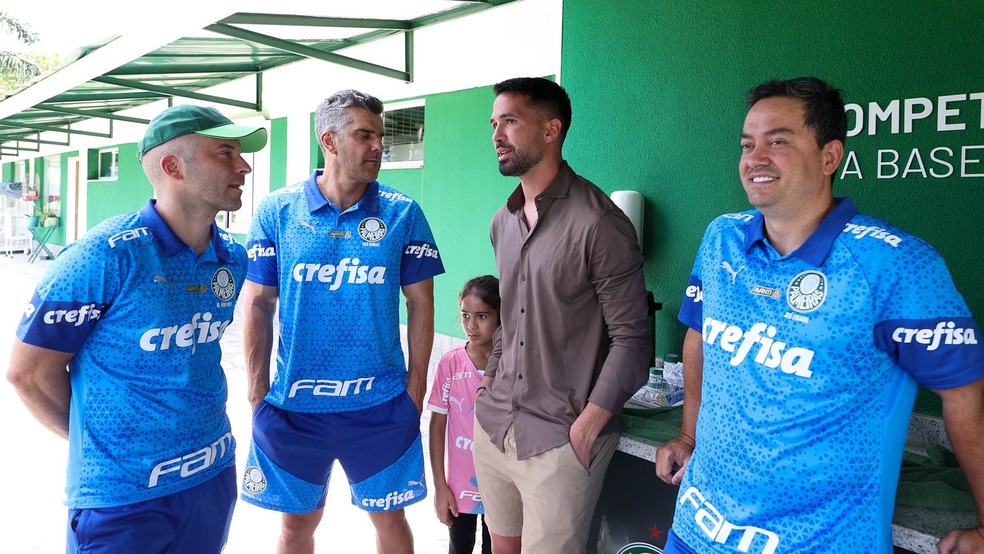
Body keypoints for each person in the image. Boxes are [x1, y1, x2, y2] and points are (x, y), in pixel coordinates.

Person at [655, 77, 984, 554]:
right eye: (748, 145)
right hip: (696, 529)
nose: (755, 158)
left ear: (830, 157)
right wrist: (688, 434)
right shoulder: (721, 238)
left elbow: (966, 390)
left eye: (778, 142)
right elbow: (700, 337)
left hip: (818, 542)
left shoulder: (896, 263)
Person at [6, 104, 267, 553]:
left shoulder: (234, 259)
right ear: (172, 167)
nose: (243, 166)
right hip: (121, 497)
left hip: (212, 477)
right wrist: (106, 443)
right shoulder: (104, 255)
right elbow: (28, 373)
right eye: (225, 153)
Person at [239, 89, 444, 554]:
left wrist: (416, 389)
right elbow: (257, 304)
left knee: (389, 522)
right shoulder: (277, 210)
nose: (378, 147)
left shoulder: (403, 212)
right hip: (295, 406)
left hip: (381, 402)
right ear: (328, 140)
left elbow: (421, 304)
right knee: (296, 528)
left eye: (381, 136)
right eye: (364, 135)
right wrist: (256, 391)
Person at [473, 77, 652, 553]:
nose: (496, 135)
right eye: (494, 123)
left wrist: (589, 425)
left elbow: (633, 339)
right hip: (495, 425)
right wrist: (489, 383)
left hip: (560, 438)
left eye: (510, 122)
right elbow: (511, 317)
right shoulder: (502, 220)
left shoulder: (600, 222)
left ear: (551, 130)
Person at [427, 275, 500, 554]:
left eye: (482, 316)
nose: (471, 325)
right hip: (459, 489)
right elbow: (436, 425)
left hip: (502, 483)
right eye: (465, 315)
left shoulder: (511, 365)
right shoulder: (450, 364)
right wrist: (439, 485)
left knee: (497, 548)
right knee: (459, 548)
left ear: (502, 316)